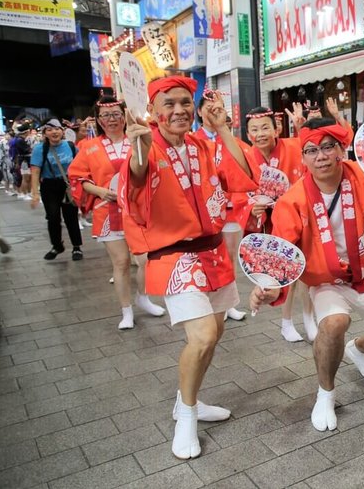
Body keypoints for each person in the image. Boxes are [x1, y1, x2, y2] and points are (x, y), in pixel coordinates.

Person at [119, 75, 257, 459]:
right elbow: (135, 178)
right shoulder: (147, 143)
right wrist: (138, 147)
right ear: (153, 110)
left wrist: (224, 128)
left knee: (215, 334)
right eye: (169, 104)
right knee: (202, 338)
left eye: (185, 102)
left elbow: (244, 174)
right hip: (176, 257)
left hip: (213, 253)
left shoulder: (201, 144)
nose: (178, 110)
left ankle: (187, 400)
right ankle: (187, 417)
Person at [250, 118, 364, 433]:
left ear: (340, 149)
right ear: (303, 156)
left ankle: (359, 348)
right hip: (325, 280)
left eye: (327, 147)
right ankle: (325, 391)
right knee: (334, 323)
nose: (320, 156)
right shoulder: (292, 201)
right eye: (311, 150)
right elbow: (282, 252)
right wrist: (268, 287)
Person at [68, 95, 166, 330]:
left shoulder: (138, 140)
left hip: (138, 211)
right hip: (108, 212)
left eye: (115, 114)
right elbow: (78, 178)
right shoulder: (88, 147)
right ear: (98, 120)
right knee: (121, 263)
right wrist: (101, 191)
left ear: (124, 115)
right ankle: (126, 311)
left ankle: (143, 298)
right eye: (105, 115)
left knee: (146, 260)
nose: (111, 120)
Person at [233, 106, 315, 342]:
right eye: (254, 129)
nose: (260, 134)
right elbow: (236, 192)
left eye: (265, 127)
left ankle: (309, 318)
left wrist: (302, 127)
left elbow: (310, 152)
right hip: (270, 224)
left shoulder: (292, 146)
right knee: (285, 272)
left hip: (300, 216)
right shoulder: (246, 157)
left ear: (277, 128)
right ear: (248, 134)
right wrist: (251, 207)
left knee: (307, 272)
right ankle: (286, 322)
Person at [194, 90, 247, 321]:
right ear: (199, 111)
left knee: (231, 254)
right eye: (208, 106)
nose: (214, 109)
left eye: (219, 105)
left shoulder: (231, 139)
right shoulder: (192, 140)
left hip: (231, 207)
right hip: (205, 210)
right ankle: (211, 300)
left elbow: (243, 169)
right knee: (207, 254)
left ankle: (228, 301)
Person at [29, 119, 83, 261]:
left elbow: (81, 166)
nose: (54, 132)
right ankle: (57, 246)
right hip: (49, 186)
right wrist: (34, 193)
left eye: (57, 129)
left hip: (68, 185)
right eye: (50, 130)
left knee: (71, 217)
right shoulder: (40, 149)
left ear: (62, 131)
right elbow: (35, 171)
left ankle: (77, 247)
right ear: (45, 133)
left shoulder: (71, 146)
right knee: (53, 217)